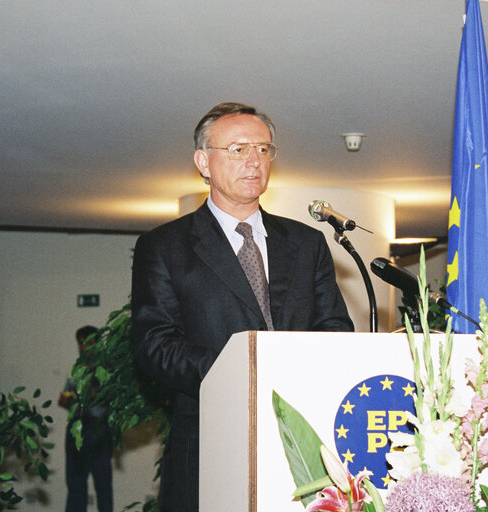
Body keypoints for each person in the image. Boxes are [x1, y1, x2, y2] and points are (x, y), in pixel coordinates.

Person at [131, 102, 354, 512]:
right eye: (238, 149)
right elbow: (155, 346)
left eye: (264, 149)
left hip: (305, 445)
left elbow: (336, 330)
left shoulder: (307, 244)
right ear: (203, 162)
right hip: (210, 440)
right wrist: (243, 370)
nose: (254, 160)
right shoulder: (164, 247)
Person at [58, 325, 113, 512]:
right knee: (76, 485)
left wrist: (89, 394)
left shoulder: (107, 369)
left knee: (103, 485)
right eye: (81, 344)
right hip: (77, 430)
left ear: (97, 343)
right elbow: (62, 399)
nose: (84, 348)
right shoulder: (75, 370)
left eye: (88, 343)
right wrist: (73, 397)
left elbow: (109, 398)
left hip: (99, 430)